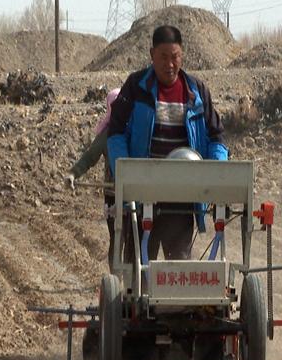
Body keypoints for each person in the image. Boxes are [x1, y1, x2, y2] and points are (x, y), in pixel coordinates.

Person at [106, 25, 228, 261]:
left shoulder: (197, 91)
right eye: (163, 57)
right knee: (138, 269)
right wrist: (126, 174)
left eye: (175, 57)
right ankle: (136, 298)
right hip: (143, 195)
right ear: (152, 55)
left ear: (182, 55)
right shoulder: (135, 87)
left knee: (179, 267)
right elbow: (116, 134)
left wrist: (214, 176)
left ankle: (178, 299)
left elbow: (216, 138)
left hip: (182, 197)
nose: (170, 64)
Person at [65, 87, 121, 269]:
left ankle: (136, 279)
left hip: (135, 193)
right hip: (114, 194)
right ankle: (116, 276)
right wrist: (73, 173)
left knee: (134, 237)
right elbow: (90, 157)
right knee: (117, 236)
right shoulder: (107, 136)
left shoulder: (137, 132)